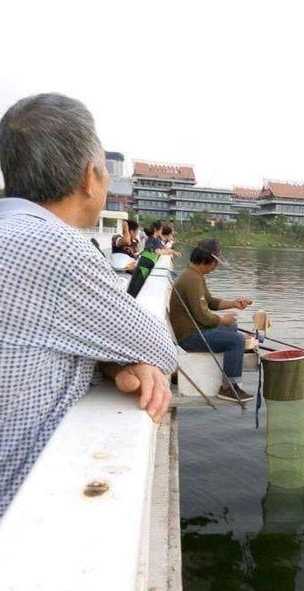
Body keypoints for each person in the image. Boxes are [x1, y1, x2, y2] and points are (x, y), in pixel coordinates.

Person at [0, 93, 177, 518]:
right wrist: (119, 360)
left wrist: (111, 360)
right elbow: (161, 350)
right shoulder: (53, 247)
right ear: (90, 177)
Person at [169, 239, 254, 402]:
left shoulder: (196, 275)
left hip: (196, 330)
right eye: (215, 262)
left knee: (233, 328)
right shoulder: (192, 279)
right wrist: (222, 320)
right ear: (206, 259)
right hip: (189, 336)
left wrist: (234, 303)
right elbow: (202, 316)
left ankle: (228, 369)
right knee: (237, 341)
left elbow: (210, 302)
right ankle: (228, 387)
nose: (216, 266)